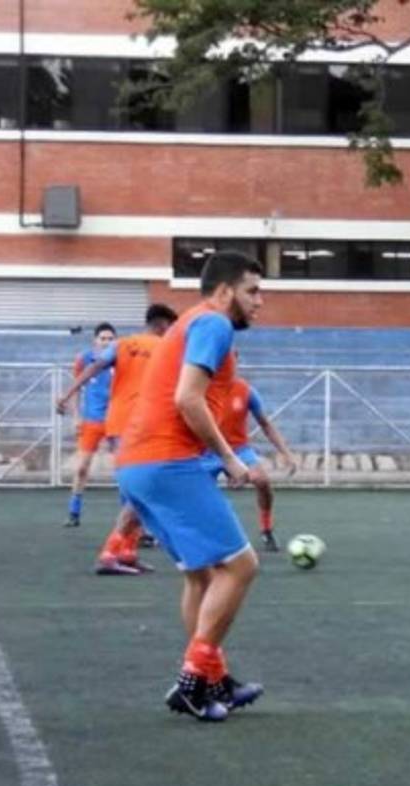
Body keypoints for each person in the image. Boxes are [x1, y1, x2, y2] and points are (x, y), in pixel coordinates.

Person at [115, 251, 265, 722]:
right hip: (166, 462)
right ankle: (190, 682)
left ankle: (214, 679)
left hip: (137, 466)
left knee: (201, 575)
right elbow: (187, 397)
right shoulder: (214, 324)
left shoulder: (193, 323)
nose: (260, 303)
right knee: (241, 566)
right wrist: (229, 458)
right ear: (224, 292)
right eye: (252, 291)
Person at [57, 303, 179, 575]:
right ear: (162, 325)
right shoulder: (165, 347)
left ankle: (126, 552)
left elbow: (94, 367)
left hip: (118, 423)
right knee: (141, 489)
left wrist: (67, 394)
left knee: (135, 487)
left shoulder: (123, 345)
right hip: (141, 425)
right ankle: (112, 553)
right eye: (171, 327)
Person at [204, 375, 297, 553]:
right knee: (191, 493)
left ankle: (266, 529)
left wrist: (286, 453)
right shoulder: (200, 387)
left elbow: (265, 424)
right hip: (207, 450)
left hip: (239, 450)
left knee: (262, 480)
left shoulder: (245, 390)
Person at [62, 322, 116, 527]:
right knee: (82, 467)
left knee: (125, 470)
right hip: (92, 420)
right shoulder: (85, 359)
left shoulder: (120, 359)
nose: (107, 342)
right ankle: (74, 512)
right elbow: (76, 387)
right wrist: (76, 416)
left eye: (110, 339)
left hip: (115, 421)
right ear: (96, 340)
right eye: (103, 338)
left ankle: (135, 523)